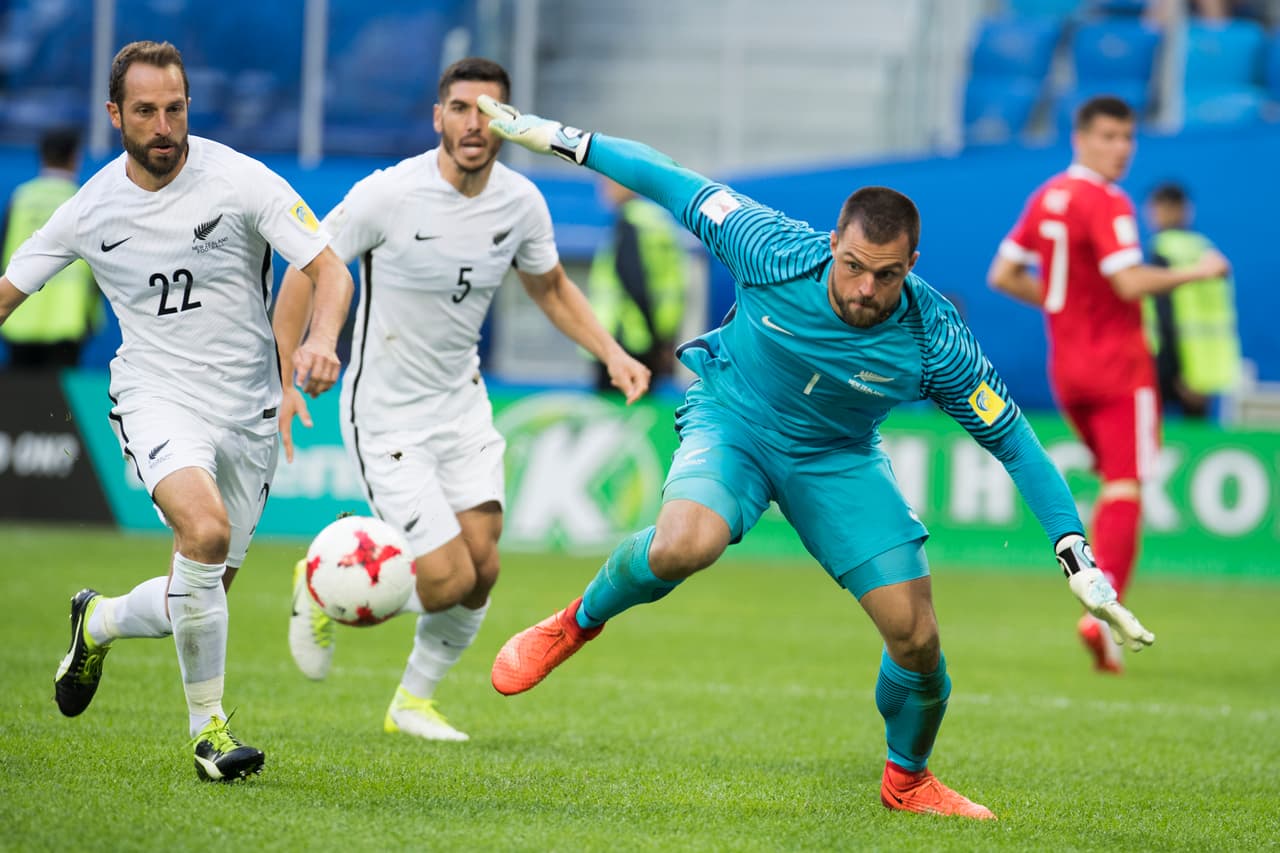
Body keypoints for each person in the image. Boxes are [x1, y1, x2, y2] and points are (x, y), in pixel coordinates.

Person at [472, 95, 1157, 820]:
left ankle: (909, 779)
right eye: (856, 265)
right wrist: (557, 138)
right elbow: (666, 177)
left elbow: (1013, 440)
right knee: (683, 544)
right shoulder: (769, 247)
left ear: (912, 265)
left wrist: (1075, 553)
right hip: (735, 419)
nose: (866, 289)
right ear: (834, 241)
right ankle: (576, 621)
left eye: (886, 275)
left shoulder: (933, 338)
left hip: (837, 457)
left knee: (917, 639)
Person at [0, 41, 353, 781]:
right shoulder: (90, 208)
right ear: (114, 115)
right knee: (206, 530)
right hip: (157, 395)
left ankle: (96, 619)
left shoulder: (240, 180)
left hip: (249, 412)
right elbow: (10, 293)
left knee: (193, 597)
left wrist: (320, 342)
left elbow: (328, 269)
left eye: (175, 108)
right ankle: (210, 735)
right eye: (145, 111)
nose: (163, 125)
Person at [274, 57, 650, 742]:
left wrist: (613, 353)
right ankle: (323, 580)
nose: (474, 123)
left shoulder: (521, 203)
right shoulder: (387, 195)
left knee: (483, 568)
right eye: (460, 108)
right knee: (444, 578)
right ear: (438, 116)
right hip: (385, 410)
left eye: (489, 110)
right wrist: (300, 355)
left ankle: (411, 702)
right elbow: (310, 265)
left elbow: (551, 287)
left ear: (510, 121)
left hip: (462, 405)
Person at [987, 96, 1228, 674]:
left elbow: (1002, 274)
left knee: (1110, 485)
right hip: (1120, 368)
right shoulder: (1109, 200)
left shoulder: (1047, 196)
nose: (1121, 148)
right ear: (1082, 137)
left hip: (1067, 370)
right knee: (1126, 487)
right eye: (1110, 136)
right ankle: (1100, 610)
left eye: (1128, 137)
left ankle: (1097, 599)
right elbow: (1127, 281)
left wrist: (1061, 305)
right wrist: (1198, 271)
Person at [0, 127, 101, 369]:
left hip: (18, 314)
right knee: (59, 404)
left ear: (42, 155)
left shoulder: (21, 198)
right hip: (67, 317)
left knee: (20, 403)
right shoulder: (82, 201)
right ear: (75, 157)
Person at [1143, 181, 1242, 419]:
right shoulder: (1206, 250)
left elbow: (1165, 314)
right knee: (1196, 436)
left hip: (1171, 366)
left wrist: (1175, 372)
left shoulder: (1163, 249)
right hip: (1204, 368)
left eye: (1156, 208)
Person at [588, 177, 686, 391]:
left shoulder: (629, 221)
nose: (604, 190)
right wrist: (664, 339)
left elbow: (634, 281)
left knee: (616, 416)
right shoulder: (657, 220)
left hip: (624, 338)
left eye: (609, 183)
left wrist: (655, 338)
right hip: (652, 338)